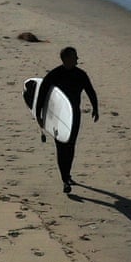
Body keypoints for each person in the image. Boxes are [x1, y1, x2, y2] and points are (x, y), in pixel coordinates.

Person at [38, 46, 99, 193]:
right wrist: (39, 114)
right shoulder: (55, 74)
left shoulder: (80, 74)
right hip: (57, 117)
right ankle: (65, 179)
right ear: (66, 59)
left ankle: (67, 175)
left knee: (70, 146)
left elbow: (90, 91)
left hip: (74, 116)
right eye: (74, 57)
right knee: (61, 147)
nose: (77, 59)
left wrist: (95, 108)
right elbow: (41, 93)